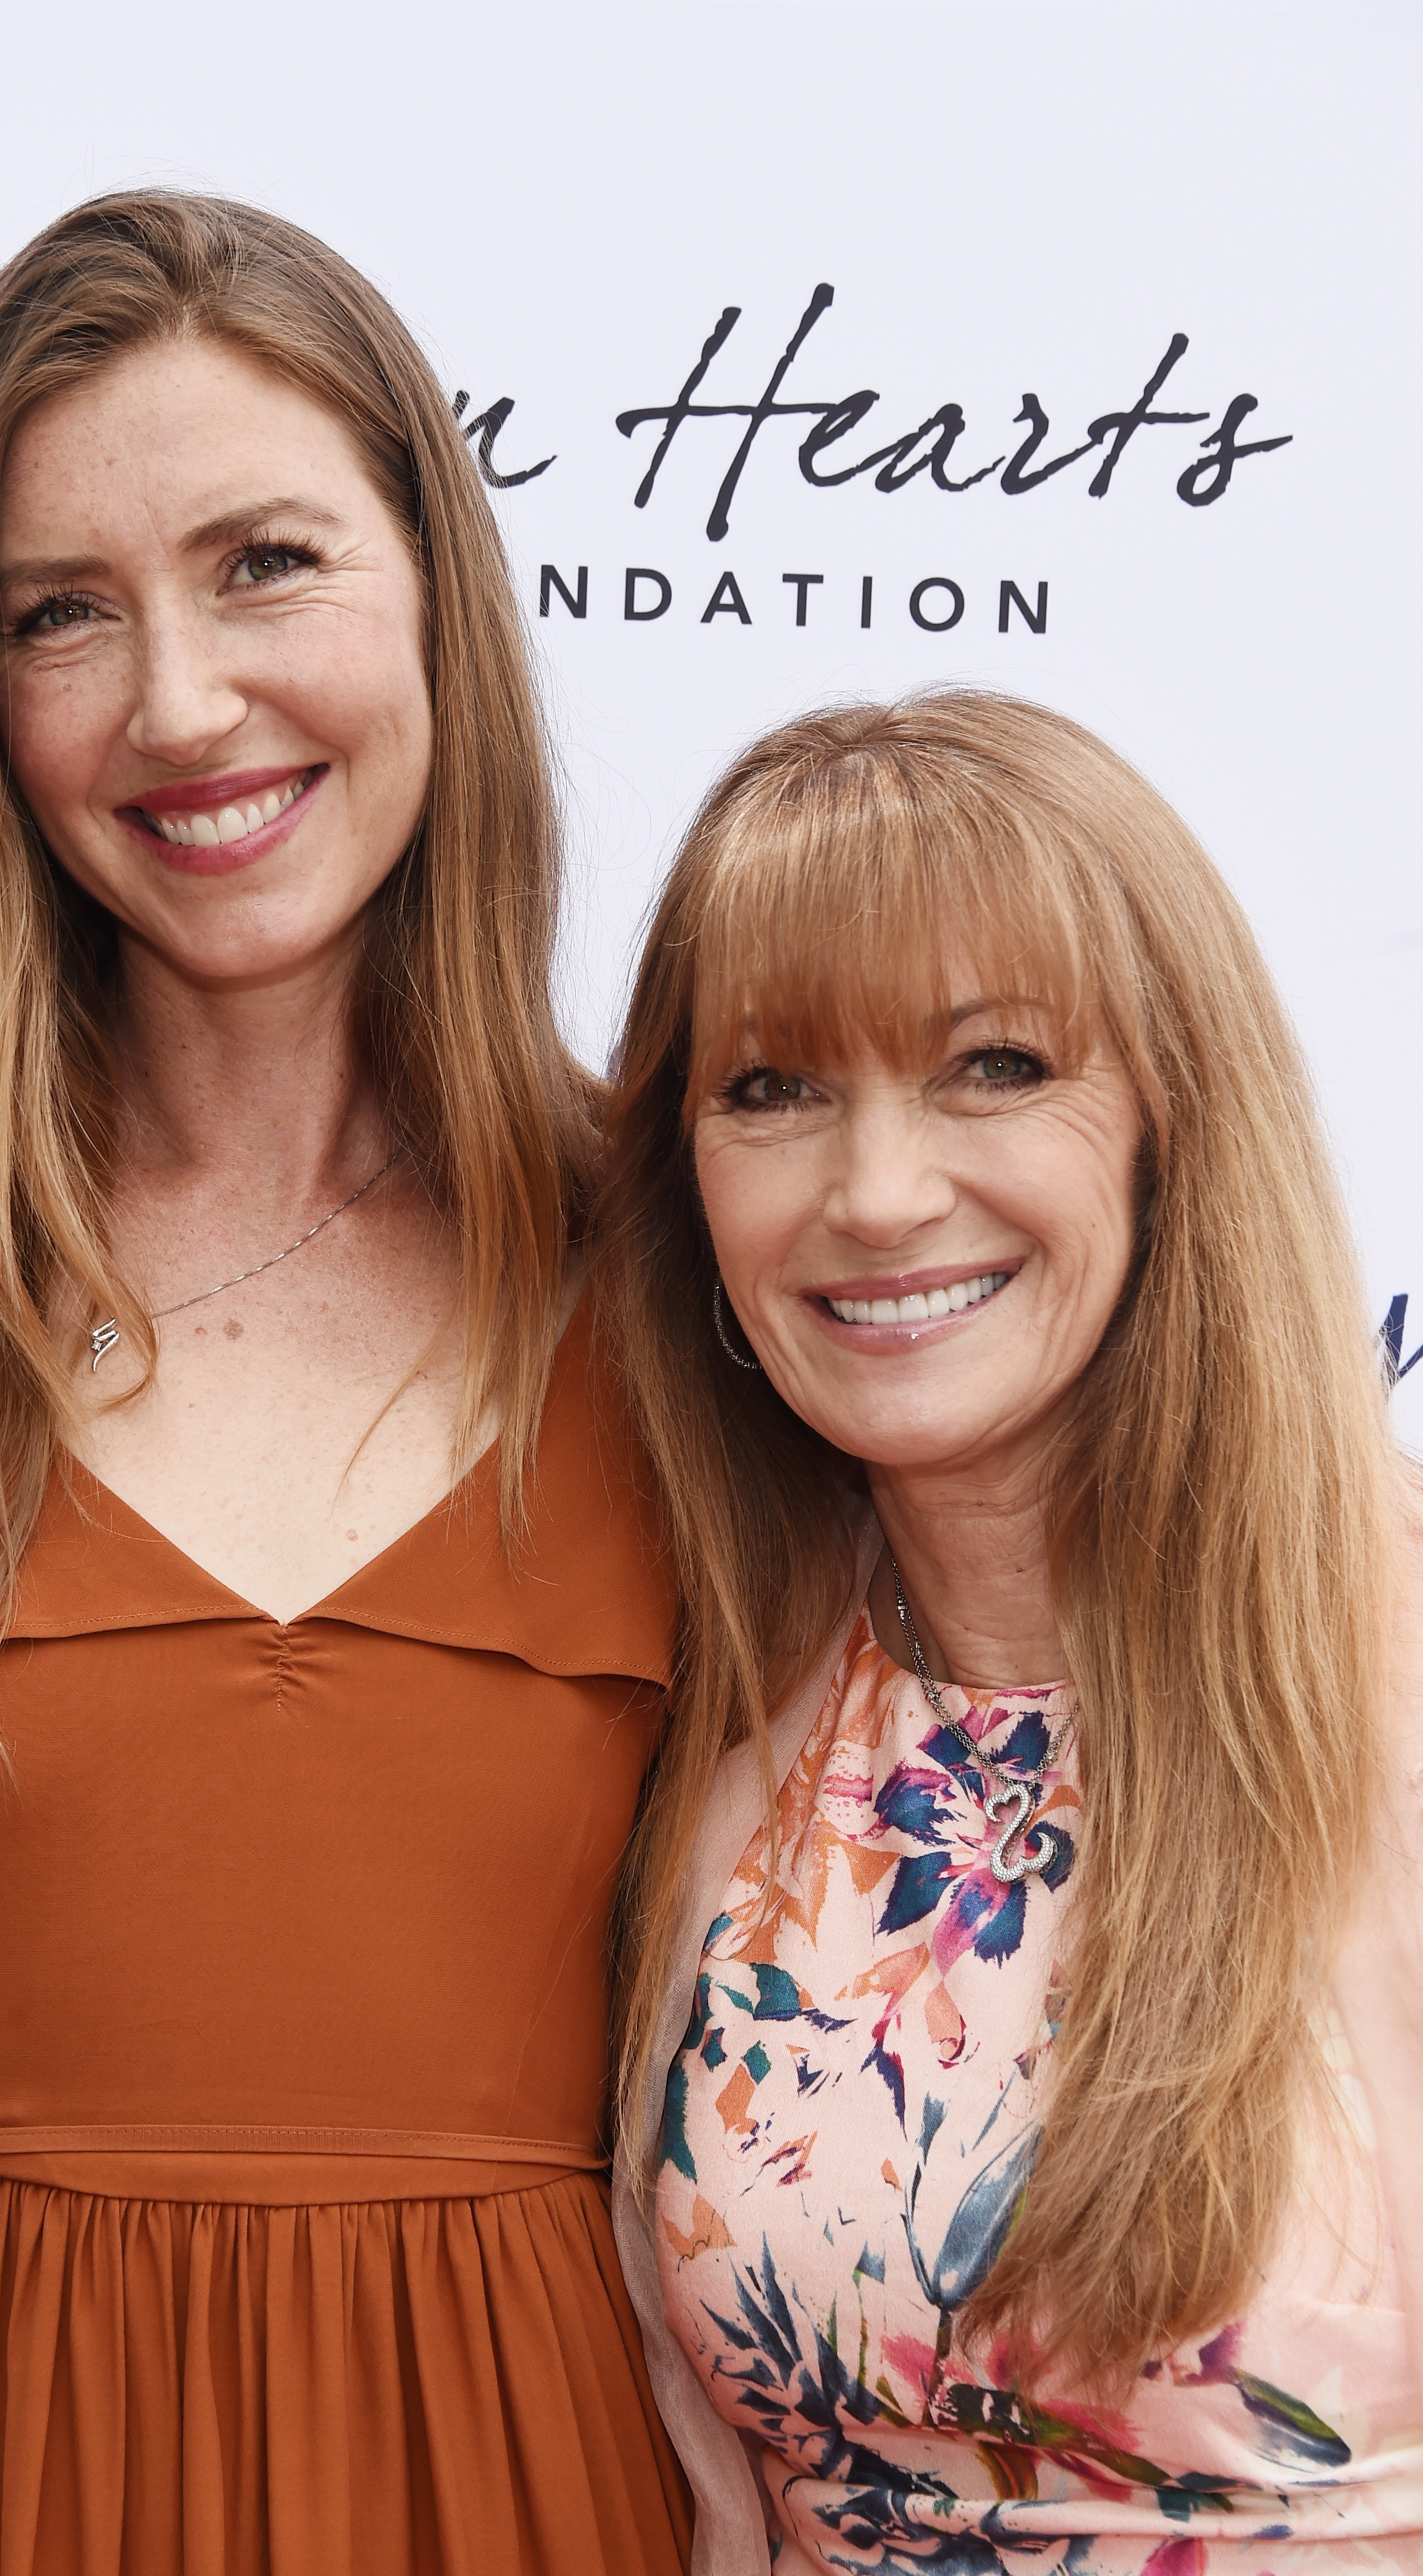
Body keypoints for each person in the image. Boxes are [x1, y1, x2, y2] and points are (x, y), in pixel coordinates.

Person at [0, 193, 693, 2575]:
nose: (177, 702)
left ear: (439, 592)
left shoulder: (696, 1253)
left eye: (267, 561)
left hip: (538, 2493)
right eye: (57, 616)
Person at [594, 694, 1423, 2570]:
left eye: (992, 1066)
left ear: (1164, 1130)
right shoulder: (719, 1744)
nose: (878, 1194)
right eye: (774, 1088)